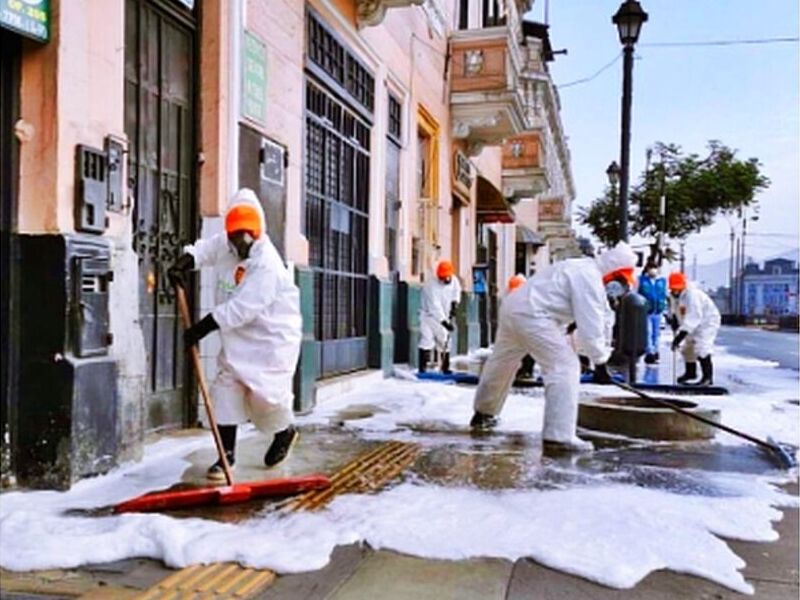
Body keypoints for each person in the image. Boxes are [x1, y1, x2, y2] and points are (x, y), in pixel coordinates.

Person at [168, 188, 303, 481]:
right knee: (225, 389)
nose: (241, 243)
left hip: (271, 338)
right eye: (235, 237)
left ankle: (284, 432)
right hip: (237, 337)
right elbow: (206, 250)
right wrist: (185, 261)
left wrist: (200, 329)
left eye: (246, 237)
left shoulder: (267, 263)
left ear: (257, 232)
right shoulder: (227, 243)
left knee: (266, 397)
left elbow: (242, 308)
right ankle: (226, 456)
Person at [469, 242, 638, 452]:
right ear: (613, 273)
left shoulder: (579, 266)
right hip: (534, 316)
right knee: (565, 367)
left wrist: (586, 348)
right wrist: (600, 363)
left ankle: (484, 413)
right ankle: (559, 436)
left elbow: (572, 316)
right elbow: (591, 327)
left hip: (514, 308)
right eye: (620, 283)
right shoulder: (590, 279)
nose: (617, 290)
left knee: (502, 363)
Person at [668, 272, 721, 386]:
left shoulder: (692, 296)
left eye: (678, 288)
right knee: (688, 348)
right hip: (691, 323)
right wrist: (675, 320)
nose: (675, 291)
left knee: (702, 347)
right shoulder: (674, 296)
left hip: (707, 322)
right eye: (673, 289)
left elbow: (694, 317)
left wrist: (679, 337)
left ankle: (707, 378)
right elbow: (676, 310)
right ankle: (690, 373)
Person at [418, 260, 461, 374]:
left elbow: (456, 292)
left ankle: (445, 367)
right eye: (443, 278)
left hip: (444, 316)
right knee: (427, 340)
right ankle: (422, 368)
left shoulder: (454, 280)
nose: (445, 280)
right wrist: (444, 323)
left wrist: (455, 303)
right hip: (428, 317)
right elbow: (434, 306)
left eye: (447, 277)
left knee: (444, 340)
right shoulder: (431, 285)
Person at [638, 262, 667, 364]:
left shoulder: (662, 281)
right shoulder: (642, 280)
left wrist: (664, 306)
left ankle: (655, 351)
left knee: (656, 334)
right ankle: (649, 353)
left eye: (654, 268)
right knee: (648, 332)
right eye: (651, 268)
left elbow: (664, 294)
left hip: (658, 311)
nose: (653, 270)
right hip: (646, 311)